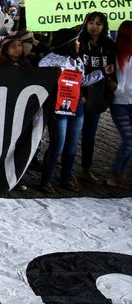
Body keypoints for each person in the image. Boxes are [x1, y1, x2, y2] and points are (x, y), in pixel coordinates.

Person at [38, 28, 107, 194]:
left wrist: (103, 73)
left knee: (72, 145)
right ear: (68, 43)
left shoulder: (77, 61)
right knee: (58, 144)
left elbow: (82, 81)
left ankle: (66, 177)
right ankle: (46, 179)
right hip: (59, 107)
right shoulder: (48, 61)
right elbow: (42, 82)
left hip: (77, 106)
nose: (78, 44)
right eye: (75, 41)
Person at [77, 11, 116, 185]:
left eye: (99, 23)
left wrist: (110, 86)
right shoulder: (79, 44)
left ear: (104, 26)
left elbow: (113, 70)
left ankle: (86, 169)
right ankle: (63, 171)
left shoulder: (109, 46)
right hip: (77, 96)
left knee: (90, 134)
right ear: (86, 24)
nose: (95, 26)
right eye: (91, 22)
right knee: (67, 135)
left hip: (97, 97)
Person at [109, 20, 132, 188]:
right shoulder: (115, 53)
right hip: (120, 102)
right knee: (129, 138)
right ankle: (117, 173)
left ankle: (121, 174)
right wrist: (113, 86)